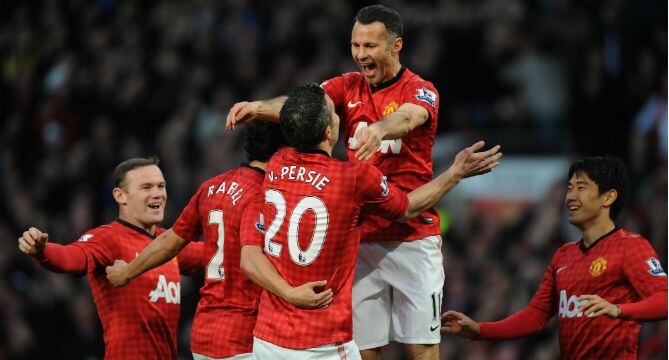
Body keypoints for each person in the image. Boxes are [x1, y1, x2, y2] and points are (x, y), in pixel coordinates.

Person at [226, 6, 450, 359]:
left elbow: (411, 117)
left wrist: (379, 128)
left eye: (371, 46)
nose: (361, 54)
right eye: (356, 45)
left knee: (421, 348)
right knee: (366, 348)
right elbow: (305, 107)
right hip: (360, 241)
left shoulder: (422, 90)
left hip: (413, 237)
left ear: (396, 46)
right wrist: (258, 107)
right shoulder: (347, 86)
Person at [239, 84, 501, 359]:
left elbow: (250, 258)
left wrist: (258, 107)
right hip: (321, 343)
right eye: (334, 113)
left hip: (267, 340)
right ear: (329, 131)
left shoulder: (278, 163)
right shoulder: (354, 178)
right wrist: (456, 173)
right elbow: (409, 207)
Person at [105, 122, 331, 360]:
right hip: (244, 337)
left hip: (205, 334)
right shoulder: (262, 195)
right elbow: (251, 260)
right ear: (282, 151)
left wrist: (128, 272)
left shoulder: (212, 187)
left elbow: (171, 240)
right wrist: (292, 293)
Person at [441, 156, 668, 359]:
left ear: (608, 197)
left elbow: (665, 300)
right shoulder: (563, 255)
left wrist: (619, 310)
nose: (570, 196)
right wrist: (479, 330)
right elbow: (535, 316)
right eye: (569, 189)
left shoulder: (631, 246)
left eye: (581, 188)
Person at [17, 156, 204, 360]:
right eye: (146, 187)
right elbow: (71, 257)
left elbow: (215, 253)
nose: (157, 194)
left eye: (161, 186)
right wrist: (42, 251)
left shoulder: (168, 244)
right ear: (121, 196)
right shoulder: (108, 239)